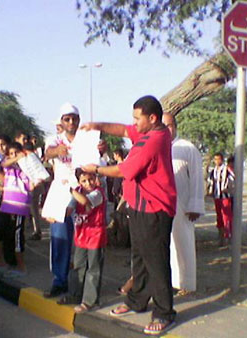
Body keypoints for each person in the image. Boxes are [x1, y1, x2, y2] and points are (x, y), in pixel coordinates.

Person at [81, 95, 177, 336]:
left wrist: (96, 169)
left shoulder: (153, 140)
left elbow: (124, 170)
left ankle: (165, 312)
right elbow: (124, 130)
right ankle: (137, 300)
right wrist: (98, 126)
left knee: (155, 260)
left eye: (137, 118)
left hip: (154, 209)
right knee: (140, 257)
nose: (133, 123)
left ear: (152, 118)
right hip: (139, 206)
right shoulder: (149, 131)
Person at [41, 102, 81, 298]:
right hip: (61, 192)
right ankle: (60, 280)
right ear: (62, 121)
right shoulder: (55, 140)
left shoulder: (85, 139)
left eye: (74, 118)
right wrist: (57, 152)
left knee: (84, 239)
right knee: (59, 238)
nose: (71, 122)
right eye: (67, 119)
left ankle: (83, 283)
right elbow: (47, 153)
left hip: (82, 191)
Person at [163, 112, 205, 294]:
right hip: (161, 205)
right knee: (167, 246)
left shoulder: (187, 148)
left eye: (170, 125)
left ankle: (186, 284)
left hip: (183, 205)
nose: (167, 129)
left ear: (176, 127)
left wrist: (195, 206)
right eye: (163, 125)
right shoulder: (155, 147)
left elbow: (197, 178)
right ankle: (170, 283)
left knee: (183, 243)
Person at [57, 168, 107, 314]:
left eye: (91, 179)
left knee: (93, 269)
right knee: (78, 266)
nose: (88, 183)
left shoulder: (98, 193)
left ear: (95, 178)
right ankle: (75, 294)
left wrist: (70, 189)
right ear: (79, 181)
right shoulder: (78, 191)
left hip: (95, 236)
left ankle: (90, 301)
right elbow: (69, 209)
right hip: (81, 236)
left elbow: (85, 201)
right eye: (83, 180)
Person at [0, 142, 31, 276]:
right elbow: (4, 164)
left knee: (17, 235)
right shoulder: (9, 166)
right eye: (11, 153)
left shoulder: (27, 167)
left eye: (16, 152)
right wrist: (17, 157)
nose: (14, 156)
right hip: (7, 203)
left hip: (20, 204)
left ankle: (22, 267)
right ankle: (1, 261)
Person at [207, 152, 234, 246]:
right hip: (217, 197)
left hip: (225, 197)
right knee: (219, 218)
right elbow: (209, 181)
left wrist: (229, 189)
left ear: (222, 160)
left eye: (218, 159)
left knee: (227, 217)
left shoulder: (227, 169)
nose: (217, 161)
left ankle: (229, 237)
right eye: (215, 159)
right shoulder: (213, 171)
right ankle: (221, 238)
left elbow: (233, 179)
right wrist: (210, 191)